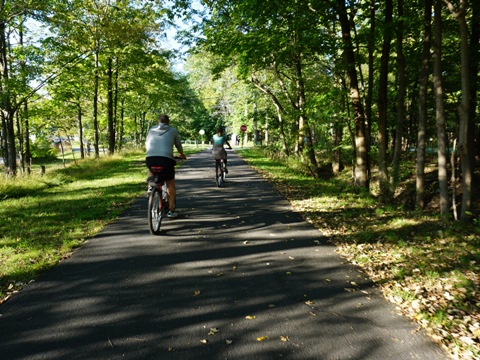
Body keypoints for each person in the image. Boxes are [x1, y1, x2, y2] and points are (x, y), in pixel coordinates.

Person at [145, 114, 186, 218]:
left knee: (150, 168)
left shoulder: (151, 130)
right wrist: (181, 154)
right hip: (166, 160)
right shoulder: (172, 130)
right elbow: (178, 145)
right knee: (170, 185)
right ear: (168, 122)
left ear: (157, 122)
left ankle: (150, 186)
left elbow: (147, 143)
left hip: (150, 157)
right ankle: (171, 211)